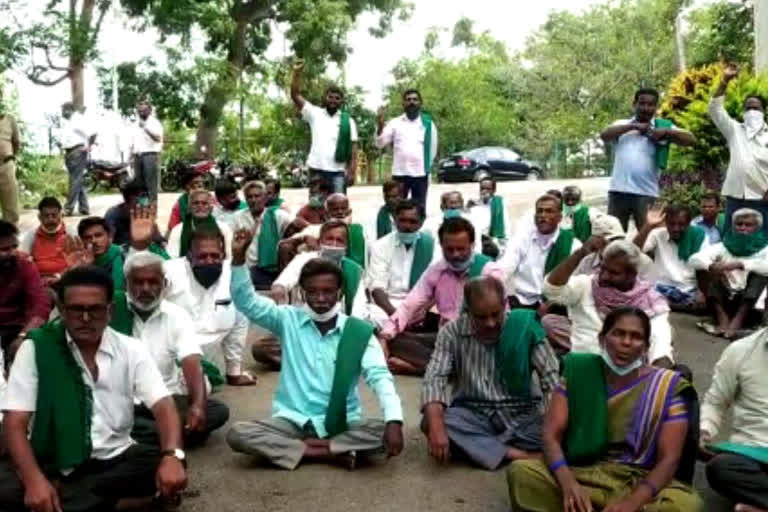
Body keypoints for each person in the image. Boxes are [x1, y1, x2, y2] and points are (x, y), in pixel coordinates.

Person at [0, 266, 187, 511]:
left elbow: (163, 405)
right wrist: (35, 481)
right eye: (77, 310)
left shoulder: (131, 349)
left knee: (166, 460)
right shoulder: (37, 348)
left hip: (115, 458)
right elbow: (14, 422)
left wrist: (173, 456)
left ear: (110, 311)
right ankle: (127, 503)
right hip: (52, 461)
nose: (86, 318)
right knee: (6, 486)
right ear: (63, 311)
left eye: (95, 309)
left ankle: (70, 501)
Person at [227, 235, 404, 471]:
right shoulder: (287, 319)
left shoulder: (358, 332)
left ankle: (301, 449)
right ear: (302, 292)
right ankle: (328, 451)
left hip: (342, 422)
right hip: (292, 420)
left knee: (384, 432)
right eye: (313, 292)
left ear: (340, 293)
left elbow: (380, 377)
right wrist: (238, 261)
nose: (321, 299)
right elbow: (247, 302)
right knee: (238, 434)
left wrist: (394, 421)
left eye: (328, 292)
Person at [508, 308, 702, 512]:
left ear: (645, 347)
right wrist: (568, 484)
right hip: (584, 473)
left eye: (635, 337)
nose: (626, 342)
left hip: (638, 480)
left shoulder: (667, 387)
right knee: (522, 473)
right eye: (618, 333)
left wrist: (633, 502)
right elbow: (550, 435)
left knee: (685, 505)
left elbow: (669, 459)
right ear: (602, 339)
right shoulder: (579, 372)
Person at [422, 276, 560, 470]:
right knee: (432, 422)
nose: (490, 323)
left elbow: (551, 379)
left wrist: (551, 427)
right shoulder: (451, 332)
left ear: (504, 305)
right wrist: (436, 426)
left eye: (496, 314)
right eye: (481, 317)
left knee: (566, 427)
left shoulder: (524, 328)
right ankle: (517, 454)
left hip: (522, 416)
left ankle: (484, 448)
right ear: (467, 311)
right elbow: (434, 379)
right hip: (473, 414)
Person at [129, 210, 256, 387]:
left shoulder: (232, 274)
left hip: (208, 363)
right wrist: (138, 248)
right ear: (189, 257)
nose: (209, 261)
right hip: (167, 355)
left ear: (223, 255)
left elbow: (240, 322)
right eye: (202, 256)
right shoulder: (170, 270)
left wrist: (233, 372)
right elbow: (138, 288)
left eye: (215, 256)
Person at [118, 251, 230, 446]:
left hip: (165, 401)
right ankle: (174, 435)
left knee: (217, 411)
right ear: (126, 284)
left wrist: (197, 405)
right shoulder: (112, 310)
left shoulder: (176, 316)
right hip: (122, 403)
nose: (146, 289)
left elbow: (192, 364)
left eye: (153, 282)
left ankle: (152, 437)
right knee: (108, 419)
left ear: (165, 284)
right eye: (138, 282)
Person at [379, 217, 505, 375]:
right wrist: (385, 336)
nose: (455, 255)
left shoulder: (490, 272)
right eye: (449, 249)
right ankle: (446, 368)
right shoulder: (438, 269)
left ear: (472, 245)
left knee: (482, 359)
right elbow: (410, 303)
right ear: (441, 246)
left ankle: (421, 369)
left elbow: (502, 317)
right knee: (394, 341)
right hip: (445, 339)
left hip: (478, 342)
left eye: (461, 249)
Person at [255, 221, 369, 370]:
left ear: (346, 246)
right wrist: (279, 293)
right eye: (329, 239)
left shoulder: (353, 270)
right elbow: (281, 283)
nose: (334, 244)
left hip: (336, 330)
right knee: (260, 349)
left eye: (339, 240)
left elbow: (358, 309)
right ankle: (325, 360)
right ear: (320, 241)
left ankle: (306, 361)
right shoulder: (303, 259)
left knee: (366, 337)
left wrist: (349, 334)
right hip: (303, 327)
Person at [543, 238, 674, 366]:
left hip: (626, 373)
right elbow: (552, 290)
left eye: (614, 273)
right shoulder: (586, 285)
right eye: (603, 269)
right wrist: (580, 253)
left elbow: (660, 347)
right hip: (583, 365)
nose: (604, 276)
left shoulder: (649, 301)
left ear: (632, 275)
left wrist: (658, 381)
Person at [601, 88, 696, 231]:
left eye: (650, 104)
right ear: (634, 104)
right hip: (618, 191)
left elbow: (691, 139)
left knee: (650, 238)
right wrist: (632, 126)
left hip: (646, 193)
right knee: (613, 237)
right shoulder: (622, 124)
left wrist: (667, 132)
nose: (646, 108)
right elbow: (604, 135)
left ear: (656, 107)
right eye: (642, 103)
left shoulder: (662, 126)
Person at [701, 327, 768, 511]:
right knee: (721, 468)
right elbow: (715, 402)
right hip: (754, 454)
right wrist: (706, 430)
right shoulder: (741, 351)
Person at [690, 208, 768, 339]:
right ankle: (723, 319)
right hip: (725, 299)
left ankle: (737, 321)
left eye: (748, 225)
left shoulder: (765, 248)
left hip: (751, 307)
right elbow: (694, 259)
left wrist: (740, 264)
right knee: (704, 270)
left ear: (757, 228)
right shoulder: (724, 246)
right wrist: (711, 266)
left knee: (760, 274)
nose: (742, 228)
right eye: (739, 224)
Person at [710, 63, 768, 237]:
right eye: (748, 108)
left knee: (762, 241)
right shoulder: (734, 130)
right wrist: (725, 80)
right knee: (730, 239)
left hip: (762, 198)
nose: (751, 112)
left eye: (755, 108)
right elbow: (715, 109)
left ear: (764, 111)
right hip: (736, 196)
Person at [500, 194, 581, 310]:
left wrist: (553, 302)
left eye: (549, 211)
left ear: (560, 217)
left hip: (557, 304)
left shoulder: (573, 245)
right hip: (523, 301)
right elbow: (505, 267)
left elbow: (576, 282)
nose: (543, 216)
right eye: (540, 211)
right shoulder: (522, 239)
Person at [290, 60, 358, 193]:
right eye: (330, 97)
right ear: (324, 98)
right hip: (316, 170)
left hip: (338, 172)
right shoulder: (314, 113)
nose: (333, 100)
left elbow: (354, 148)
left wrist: (352, 171)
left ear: (341, 101)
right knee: (316, 206)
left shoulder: (348, 121)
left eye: (337, 98)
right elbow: (295, 95)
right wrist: (297, 73)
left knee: (338, 208)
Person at [368, 199, 436, 328]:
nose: (407, 226)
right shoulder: (380, 246)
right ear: (395, 219)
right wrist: (397, 316)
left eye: (413, 221)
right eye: (402, 220)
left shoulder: (431, 246)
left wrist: (423, 310)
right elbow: (377, 289)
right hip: (388, 305)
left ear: (422, 222)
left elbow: (438, 286)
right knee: (370, 317)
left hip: (421, 306)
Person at [634, 204, 708, 311]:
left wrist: (701, 292)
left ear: (688, 224)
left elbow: (704, 266)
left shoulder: (699, 236)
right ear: (665, 223)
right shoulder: (657, 234)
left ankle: (664, 304)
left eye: (681, 224)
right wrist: (648, 226)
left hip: (688, 290)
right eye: (671, 224)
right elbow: (633, 251)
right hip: (660, 287)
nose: (676, 229)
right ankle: (670, 305)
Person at [376, 89, 438, 210]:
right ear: (403, 103)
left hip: (420, 173)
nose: (412, 102)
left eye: (415, 99)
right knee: (397, 208)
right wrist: (380, 126)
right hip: (400, 174)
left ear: (420, 103)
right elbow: (380, 143)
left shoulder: (428, 123)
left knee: (419, 209)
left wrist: (427, 168)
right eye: (408, 99)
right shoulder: (395, 123)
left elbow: (433, 149)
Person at [0, 220, 50, 366]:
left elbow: (40, 304)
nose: (13, 253)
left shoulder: (25, 265)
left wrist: (24, 335)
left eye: (15, 246)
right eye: (4, 249)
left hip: (17, 326)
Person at [283, 193, 370, 269]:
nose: (340, 212)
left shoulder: (359, 230)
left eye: (343, 208)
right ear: (326, 214)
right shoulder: (314, 229)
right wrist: (303, 238)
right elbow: (283, 245)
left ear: (350, 211)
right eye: (335, 209)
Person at [233, 180, 293, 289]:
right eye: (249, 197)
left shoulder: (277, 215)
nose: (253, 200)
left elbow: (297, 224)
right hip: (248, 269)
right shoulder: (238, 217)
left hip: (272, 269)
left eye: (257, 196)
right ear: (245, 199)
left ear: (265, 198)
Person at [19, 197, 74, 287]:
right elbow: (22, 261)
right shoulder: (31, 235)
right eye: (46, 216)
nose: (51, 220)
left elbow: (78, 263)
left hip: (65, 279)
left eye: (54, 215)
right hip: (38, 281)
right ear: (39, 217)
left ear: (61, 215)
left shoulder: (71, 233)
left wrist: (59, 276)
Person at [167, 189, 233, 259]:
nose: (200, 206)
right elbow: (172, 257)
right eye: (196, 203)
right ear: (189, 207)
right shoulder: (178, 230)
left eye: (204, 203)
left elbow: (229, 256)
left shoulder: (223, 228)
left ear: (211, 207)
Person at [58, 102, 96, 217]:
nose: (62, 113)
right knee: (77, 180)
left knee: (75, 180)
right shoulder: (69, 122)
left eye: (63, 110)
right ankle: (84, 207)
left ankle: (68, 208)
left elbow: (93, 133)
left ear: (69, 109)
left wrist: (88, 146)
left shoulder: (78, 119)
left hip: (78, 151)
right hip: (70, 152)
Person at [104, 181, 163, 247]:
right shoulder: (113, 214)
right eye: (142, 197)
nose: (143, 204)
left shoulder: (145, 213)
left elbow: (158, 238)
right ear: (130, 200)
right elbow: (108, 242)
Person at [76, 216, 127, 290]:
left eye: (98, 235)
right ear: (82, 241)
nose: (94, 241)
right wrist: (86, 269)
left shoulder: (124, 255)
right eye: (88, 237)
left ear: (109, 236)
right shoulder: (79, 261)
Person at [130, 100, 164, 201]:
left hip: (150, 155)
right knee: (139, 184)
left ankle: (152, 208)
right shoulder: (136, 124)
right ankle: (143, 208)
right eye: (139, 111)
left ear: (149, 110)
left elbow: (158, 138)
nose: (141, 113)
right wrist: (131, 156)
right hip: (137, 156)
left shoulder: (155, 123)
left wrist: (145, 128)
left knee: (150, 183)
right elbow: (134, 141)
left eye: (144, 111)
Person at [467, 177, 509, 258]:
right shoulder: (473, 203)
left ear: (494, 190)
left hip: (494, 243)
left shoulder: (500, 204)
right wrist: (468, 207)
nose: (484, 191)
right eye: (482, 188)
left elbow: (505, 228)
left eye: (488, 189)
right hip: (476, 242)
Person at [0, 88, 20, 224]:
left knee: (10, 204)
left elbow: (16, 142)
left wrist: (10, 156)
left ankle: (9, 237)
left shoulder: (9, 119)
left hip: (6, 164)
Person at [167, 170, 206, 235]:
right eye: (196, 183)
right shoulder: (179, 205)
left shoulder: (210, 200)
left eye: (202, 182)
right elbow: (172, 229)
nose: (201, 185)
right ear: (187, 186)